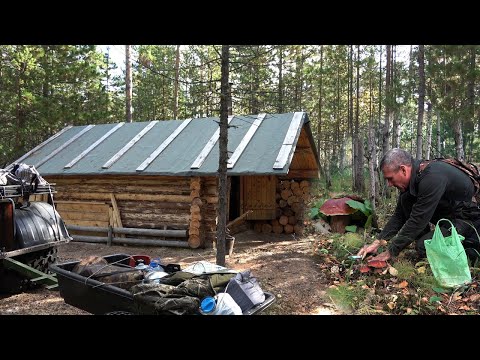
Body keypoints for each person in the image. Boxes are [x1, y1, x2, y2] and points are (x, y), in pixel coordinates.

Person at [357, 148, 480, 262]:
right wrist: (377, 242)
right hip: (450, 218)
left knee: (423, 246)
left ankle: (468, 249)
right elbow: (399, 216)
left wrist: (390, 252)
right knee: (406, 201)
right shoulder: (415, 178)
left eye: (390, 178)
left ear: (403, 170)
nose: (389, 184)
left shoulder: (432, 177)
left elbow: (418, 219)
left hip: (468, 220)